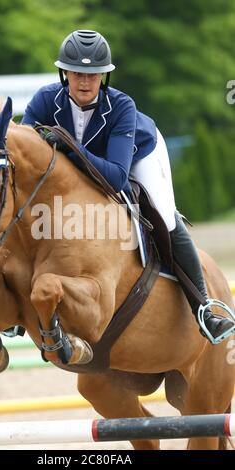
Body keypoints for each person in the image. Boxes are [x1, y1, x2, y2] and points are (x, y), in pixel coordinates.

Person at [22, 30, 235, 342]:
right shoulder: (44, 100)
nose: (84, 82)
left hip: (137, 155)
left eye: (93, 75)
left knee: (163, 212)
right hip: (83, 167)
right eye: (78, 73)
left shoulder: (122, 107)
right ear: (64, 72)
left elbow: (116, 177)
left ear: (104, 77)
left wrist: (68, 146)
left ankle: (203, 306)